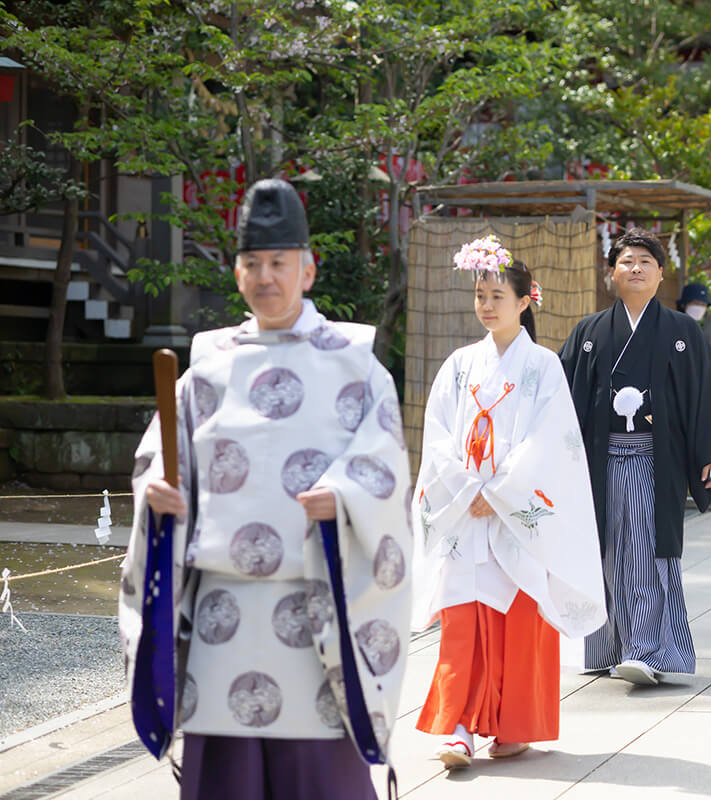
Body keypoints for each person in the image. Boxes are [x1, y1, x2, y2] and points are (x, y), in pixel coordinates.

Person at [120, 179, 412, 799]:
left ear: (307, 270)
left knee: (320, 781)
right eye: (252, 264)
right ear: (237, 274)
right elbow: (161, 460)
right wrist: (160, 496)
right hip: (221, 617)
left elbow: (385, 468)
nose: (265, 277)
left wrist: (345, 498)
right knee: (224, 782)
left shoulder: (356, 363)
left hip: (315, 617)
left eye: (279, 263)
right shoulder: (208, 367)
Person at [411, 237, 605, 769]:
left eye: (498, 295)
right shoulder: (459, 364)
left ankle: (512, 726)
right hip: (465, 511)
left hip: (514, 515)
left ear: (524, 300)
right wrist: (468, 489)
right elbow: (438, 435)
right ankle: (457, 728)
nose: (487, 305)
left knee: (517, 621)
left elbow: (549, 441)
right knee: (463, 621)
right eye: (481, 295)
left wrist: (498, 494)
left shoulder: (543, 366)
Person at [559, 227, 711, 686]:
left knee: (646, 549)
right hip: (600, 460)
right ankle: (606, 646)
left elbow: (705, 394)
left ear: (662, 273)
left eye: (646, 261)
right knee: (605, 550)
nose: (636, 268)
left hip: (653, 459)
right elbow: (562, 400)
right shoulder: (589, 332)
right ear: (611, 273)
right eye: (626, 261)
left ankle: (647, 648)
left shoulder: (682, 331)